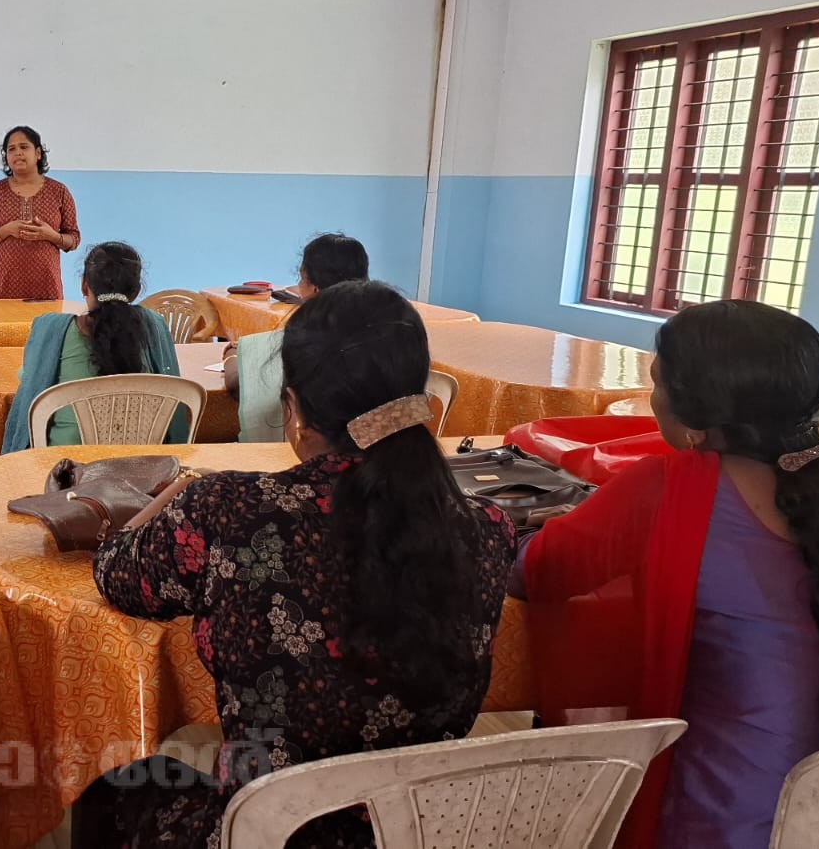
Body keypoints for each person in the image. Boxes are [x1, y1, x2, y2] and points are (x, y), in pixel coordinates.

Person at [77, 280, 516, 849]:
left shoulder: (227, 509)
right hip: (416, 831)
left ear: (294, 410)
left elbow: (116, 574)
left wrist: (172, 494)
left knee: (115, 788)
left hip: (269, 834)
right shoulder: (489, 529)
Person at [511, 300, 819, 849]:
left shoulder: (669, 489)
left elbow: (537, 570)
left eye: (657, 382)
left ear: (695, 419)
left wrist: (507, 528)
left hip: (721, 820)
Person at [2, 241, 184, 451]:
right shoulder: (154, 325)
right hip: (143, 463)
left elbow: (31, 378)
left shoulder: (52, 329)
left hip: (65, 465)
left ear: (84, 285)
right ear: (136, 291)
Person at [225, 233, 369, 442]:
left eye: (302, 279)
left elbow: (238, 384)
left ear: (315, 288)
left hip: (307, 452)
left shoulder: (300, 342)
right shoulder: (382, 337)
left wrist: (231, 355)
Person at [0, 125, 81, 299]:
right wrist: (6, 230)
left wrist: (51, 235)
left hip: (46, 286)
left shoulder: (59, 191)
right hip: (2, 287)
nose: (18, 153)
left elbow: (73, 239)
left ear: (38, 153)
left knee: (46, 318)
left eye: (23, 147)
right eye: (11, 149)